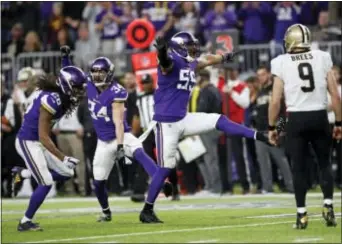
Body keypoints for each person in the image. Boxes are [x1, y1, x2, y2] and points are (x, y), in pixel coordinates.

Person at [138, 31, 269, 223]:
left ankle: (259, 135)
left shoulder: (191, 63)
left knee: (219, 120)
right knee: (166, 168)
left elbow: (207, 59)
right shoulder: (170, 62)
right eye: (189, 46)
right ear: (179, 49)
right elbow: (165, 63)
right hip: (166, 123)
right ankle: (147, 209)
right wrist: (161, 51)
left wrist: (225, 56)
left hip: (183, 118)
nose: (193, 49)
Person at [61, 47, 172, 222]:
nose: (97, 75)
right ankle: (106, 212)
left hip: (121, 135)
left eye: (101, 71)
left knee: (139, 152)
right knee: (98, 183)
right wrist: (65, 58)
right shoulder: (89, 83)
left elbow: (118, 122)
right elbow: (69, 74)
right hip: (103, 142)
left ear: (110, 73)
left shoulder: (117, 91)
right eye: (95, 71)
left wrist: (120, 145)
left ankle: (163, 182)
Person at [268, 24, 341, 229]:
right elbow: (335, 95)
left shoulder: (281, 62)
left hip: (296, 119)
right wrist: (339, 122)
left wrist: (272, 127)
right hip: (319, 116)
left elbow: (275, 101)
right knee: (324, 163)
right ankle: (328, 205)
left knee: (298, 168)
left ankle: (301, 214)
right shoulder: (321, 57)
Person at [11, 62, 87, 231]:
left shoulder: (61, 93)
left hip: (39, 142)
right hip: (28, 141)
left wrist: (66, 58)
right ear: (66, 85)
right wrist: (63, 157)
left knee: (67, 172)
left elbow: (65, 72)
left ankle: (22, 173)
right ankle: (25, 221)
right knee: (45, 182)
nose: (79, 91)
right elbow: (44, 137)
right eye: (76, 87)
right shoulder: (52, 99)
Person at [254, 65, 293, 194]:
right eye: (258, 75)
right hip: (260, 132)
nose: (260, 77)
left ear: (269, 74)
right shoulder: (259, 91)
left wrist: (280, 129)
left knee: (281, 160)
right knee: (263, 162)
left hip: (274, 130)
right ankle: (267, 187)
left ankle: (291, 186)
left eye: (263, 74)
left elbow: (283, 113)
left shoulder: (276, 90)